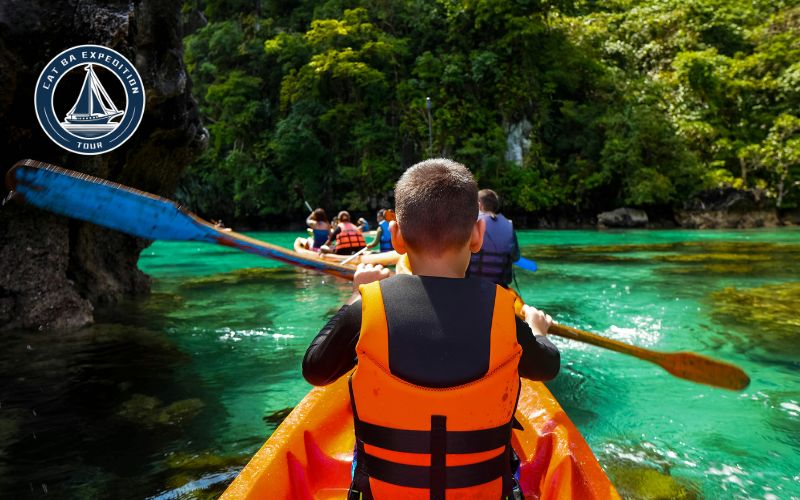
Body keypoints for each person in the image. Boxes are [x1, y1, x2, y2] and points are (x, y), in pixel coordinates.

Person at [303, 159, 559, 499]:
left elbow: (315, 370)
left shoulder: (366, 309)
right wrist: (538, 330)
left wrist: (355, 295)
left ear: (395, 237)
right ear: (477, 235)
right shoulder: (503, 314)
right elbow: (548, 366)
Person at [465, 189, 520, 287]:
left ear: (480, 205)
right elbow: (516, 257)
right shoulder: (508, 225)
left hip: (474, 286)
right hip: (500, 287)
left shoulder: (472, 224)